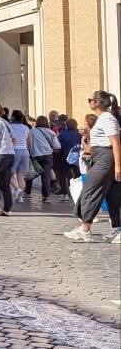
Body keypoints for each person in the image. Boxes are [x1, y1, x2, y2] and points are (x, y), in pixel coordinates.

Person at [64, 91, 121, 243]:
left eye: (90, 99)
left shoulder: (107, 118)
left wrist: (118, 167)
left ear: (97, 102)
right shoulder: (103, 118)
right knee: (112, 195)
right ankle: (118, 229)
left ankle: (85, 229)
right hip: (102, 157)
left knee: (90, 190)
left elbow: (116, 142)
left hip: (106, 158)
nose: (88, 102)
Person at [25, 114, 58, 202]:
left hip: (35, 155)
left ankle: (27, 192)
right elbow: (57, 146)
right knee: (46, 176)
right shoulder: (51, 132)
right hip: (47, 155)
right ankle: (46, 197)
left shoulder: (31, 131)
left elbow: (28, 144)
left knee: (30, 174)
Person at [8, 110, 31, 202]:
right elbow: (29, 142)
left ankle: (17, 189)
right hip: (24, 152)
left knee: (8, 173)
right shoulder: (26, 127)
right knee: (21, 175)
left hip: (13, 151)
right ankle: (20, 197)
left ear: (13, 117)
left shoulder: (10, 127)